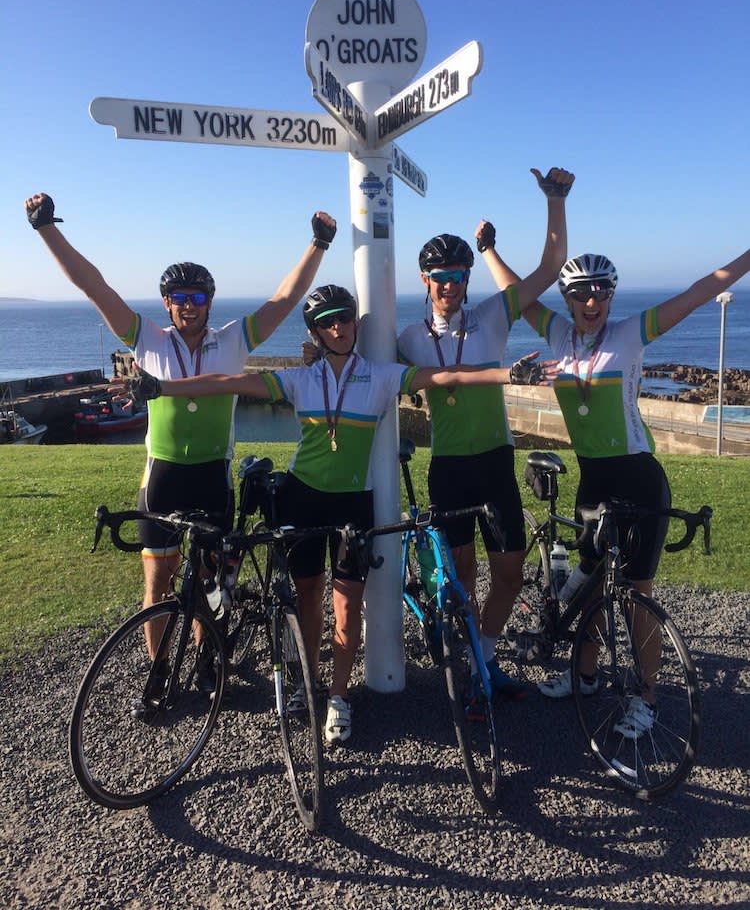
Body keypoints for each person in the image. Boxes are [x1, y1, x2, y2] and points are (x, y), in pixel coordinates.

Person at [121, 284, 558, 744]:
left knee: (347, 607)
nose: (339, 328)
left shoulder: (381, 375)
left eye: (345, 318)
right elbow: (228, 382)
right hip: (302, 496)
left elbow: (447, 377)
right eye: (328, 322)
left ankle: (337, 697)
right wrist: (162, 386)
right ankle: (306, 683)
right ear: (315, 330)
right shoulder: (298, 378)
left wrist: (508, 373)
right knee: (307, 595)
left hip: (355, 503)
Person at [24, 191, 337, 696]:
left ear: (209, 303)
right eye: (180, 299)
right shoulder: (146, 338)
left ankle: (207, 657)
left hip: (213, 476)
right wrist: (46, 229)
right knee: (158, 585)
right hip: (164, 477)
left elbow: (282, 301)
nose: (189, 307)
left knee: (214, 583)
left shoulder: (234, 339)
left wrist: (317, 245)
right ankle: (157, 671)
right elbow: (93, 285)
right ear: (168, 304)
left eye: (198, 299)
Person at [486, 227, 750, 736]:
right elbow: (517, 293)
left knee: (634, 594)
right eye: (580, 292)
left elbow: (698, 291)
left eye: (601, 291)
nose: (591, 301)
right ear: (566, 298)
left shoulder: (632, 332)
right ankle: (585, 677)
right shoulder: (557, 333)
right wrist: (488, 250)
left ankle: (645, 697)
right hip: (594, 481)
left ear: (611, 295)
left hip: (637, 478)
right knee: (586, 589)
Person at [397, 167, 575, 698]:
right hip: (448, 469)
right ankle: (472, 660)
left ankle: (486, 656)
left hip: (496, 460)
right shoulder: (408, 337)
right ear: (424, 282)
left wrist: (555, 201)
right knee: (462, 577)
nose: (449, 285)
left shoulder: (493, 317)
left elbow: (550, 267)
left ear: (467, 281)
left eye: (457, 276)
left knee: (511, 574)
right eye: (439, 277)